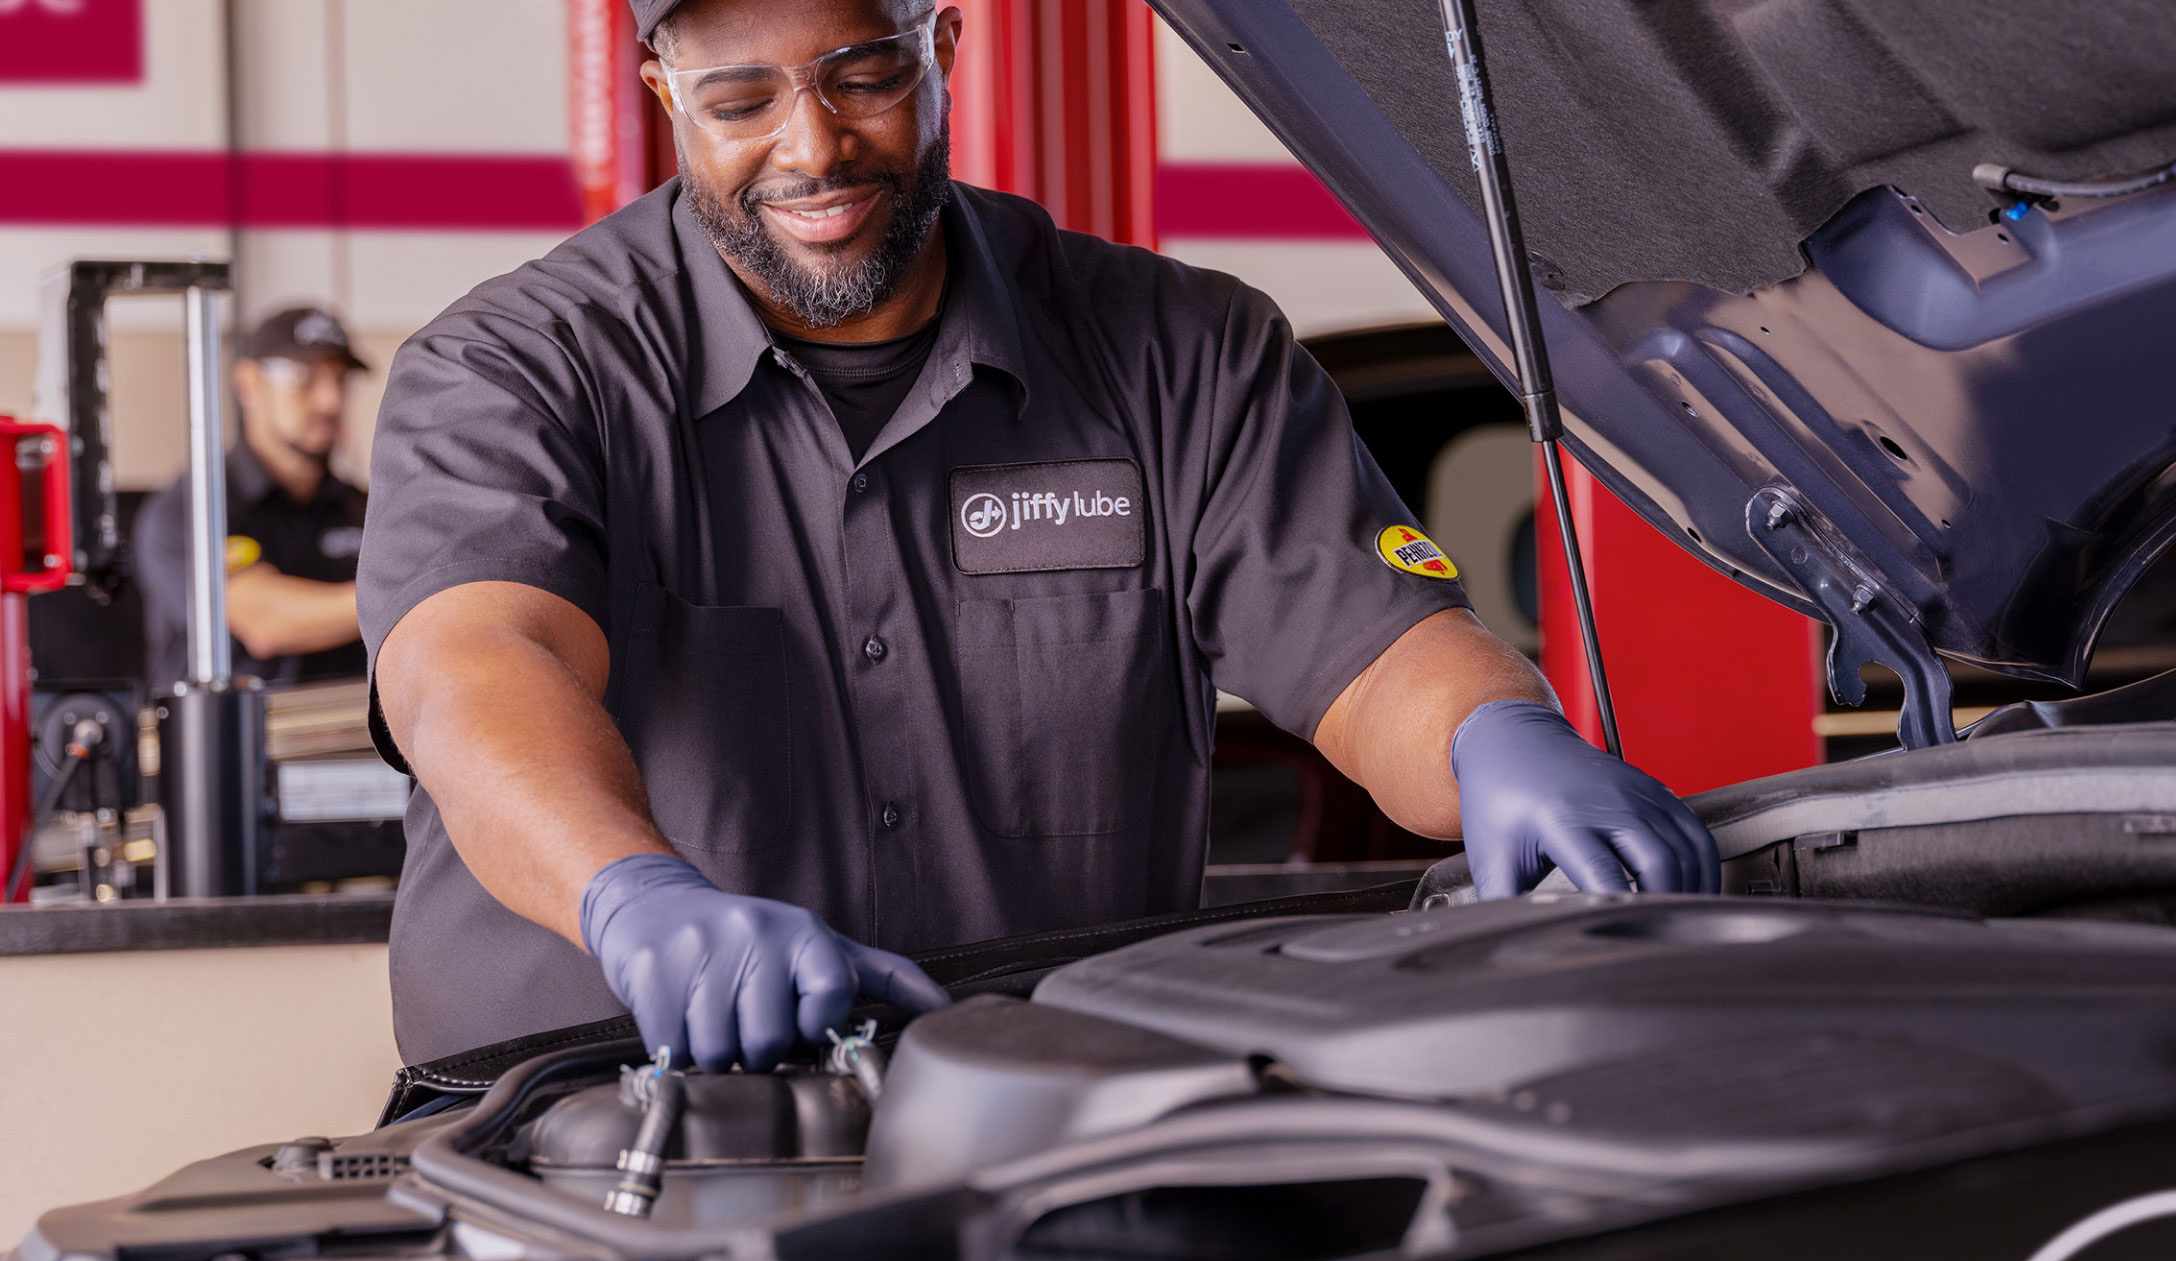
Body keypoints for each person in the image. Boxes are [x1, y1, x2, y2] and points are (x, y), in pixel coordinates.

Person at [360, 0, 1718, 1072]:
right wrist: (627, 895)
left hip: (1034, 1112)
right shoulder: (514, 371)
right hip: (583, 1116)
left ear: (944, 47)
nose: (813, 145)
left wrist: (1498, 739)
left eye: (863, 73)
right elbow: (475, 667)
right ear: (664, 91)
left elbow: (1376, 660)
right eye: (739, 98)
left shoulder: (1183, 353)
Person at [136, 306, 369, 694]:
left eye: (339, 379)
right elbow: (266, 621)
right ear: (248, 383)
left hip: (353, 746)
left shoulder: (366, 509)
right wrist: (411, 593)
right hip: (226, 749)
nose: (330, 400)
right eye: (304, 377)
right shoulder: (191, 509)